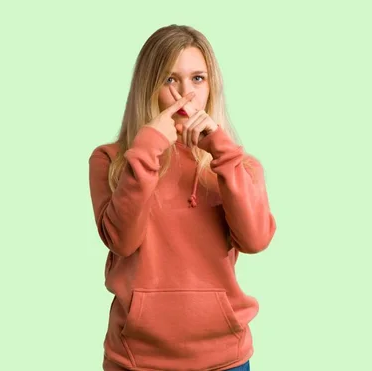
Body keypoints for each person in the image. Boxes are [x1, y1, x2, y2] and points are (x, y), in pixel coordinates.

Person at [88, 24, 276, 371]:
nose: (185, 95)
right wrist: (146, 151)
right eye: (170, 79)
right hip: (136, 360)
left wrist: (223, 153)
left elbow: (255, 240)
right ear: (149, 85)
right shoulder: (111, 160)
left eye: (198, 79)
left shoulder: (237, 163)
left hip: (224, 359)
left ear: (211, 86)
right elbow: (122, 241)